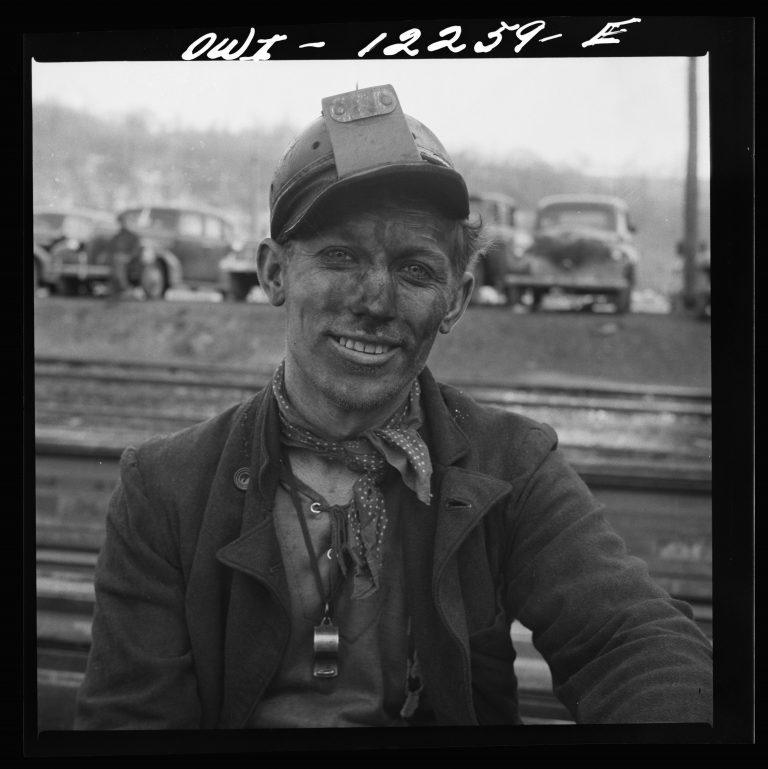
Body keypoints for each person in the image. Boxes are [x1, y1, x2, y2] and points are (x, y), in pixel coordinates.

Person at [74, 84, 712, 729]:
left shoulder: (513, 465)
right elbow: (130, 722)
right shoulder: (166, 487)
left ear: (455, 300)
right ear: (274, 274)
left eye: (415, 270)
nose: (375, 301)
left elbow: (630, 639)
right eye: (340, 256)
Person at [104, 212, 141, 297]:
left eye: (124, 221)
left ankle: (125, 288)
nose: (122, 224)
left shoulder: (133, 236)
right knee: (116, 260)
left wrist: (129, 257)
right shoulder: (116, 237)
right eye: (121, 222)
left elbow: (136, 250)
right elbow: (110, 249)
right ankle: (116, 288)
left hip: (128, 259)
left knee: (118, 261)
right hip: (116, 258)